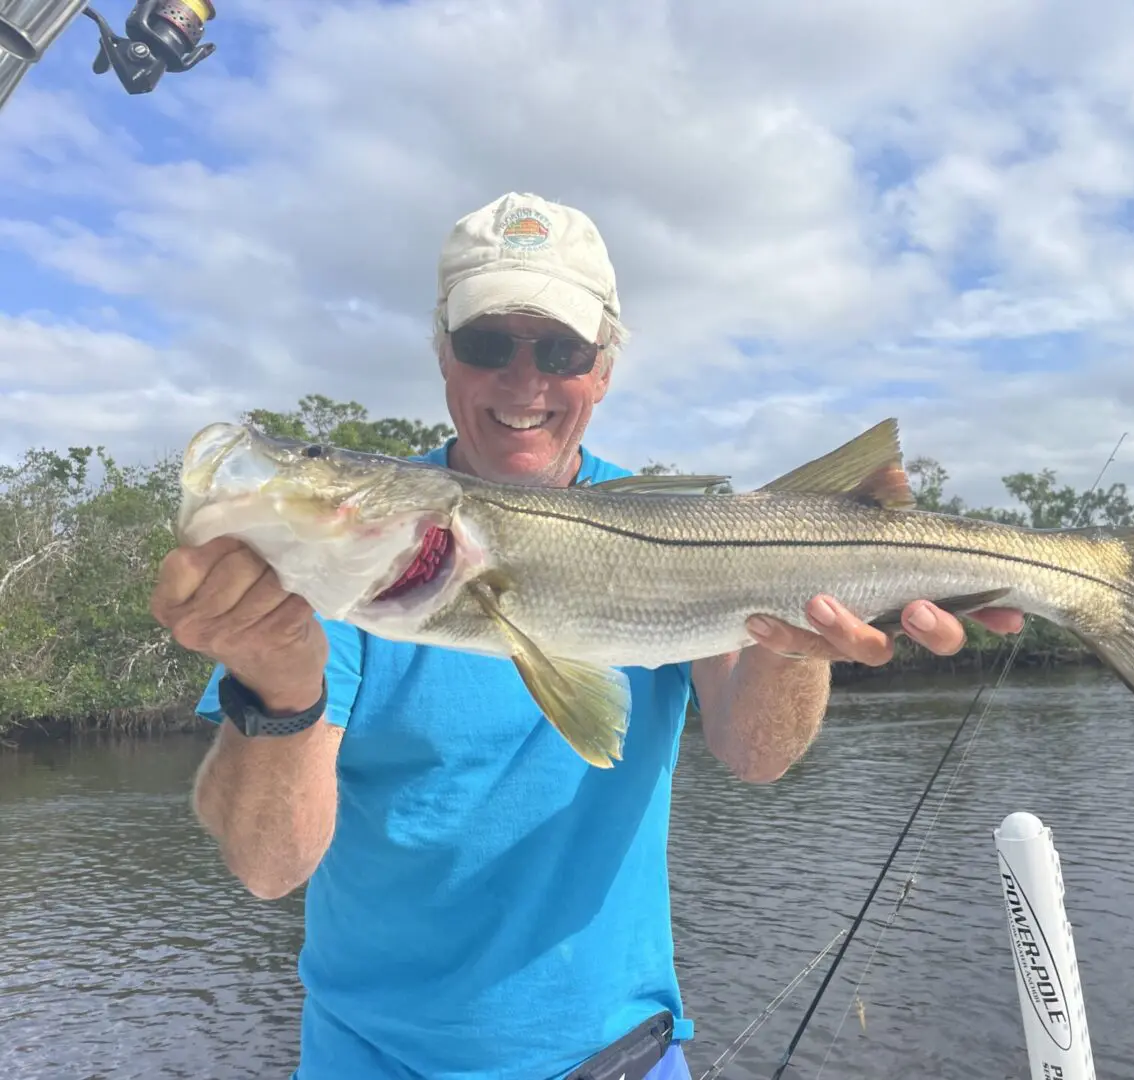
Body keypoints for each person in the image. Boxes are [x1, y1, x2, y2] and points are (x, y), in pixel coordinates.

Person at [149, 191, 1023, 1080]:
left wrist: (792, 642)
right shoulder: (331, 582)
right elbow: (268, 868)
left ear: (603, 369)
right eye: (488, 343)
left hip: (626, 1058)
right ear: (442, 355)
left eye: (562, 350)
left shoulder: (680, 520)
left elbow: (755, 754)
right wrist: (278, 694)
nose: (523, 381)